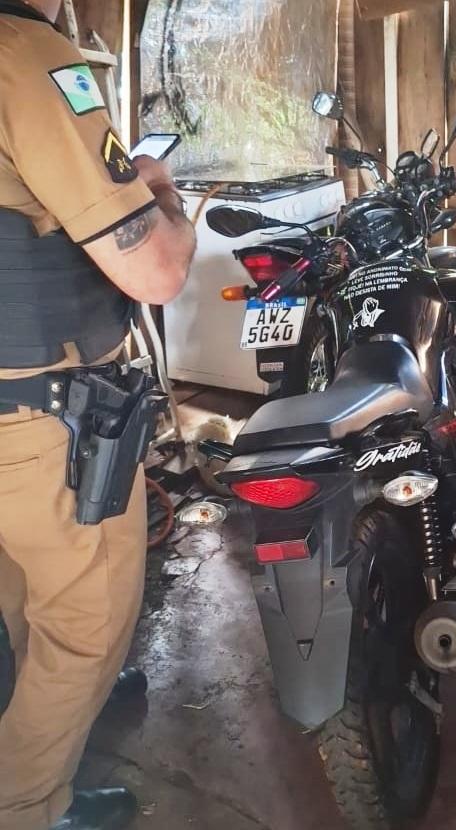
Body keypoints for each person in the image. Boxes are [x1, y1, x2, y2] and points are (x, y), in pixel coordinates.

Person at [0, 2, 196, 828]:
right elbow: (153, 272)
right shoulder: (29, 55)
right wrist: (167, 203)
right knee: (89, 621)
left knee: (20, 589)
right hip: (39, 420)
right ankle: (32, 806)